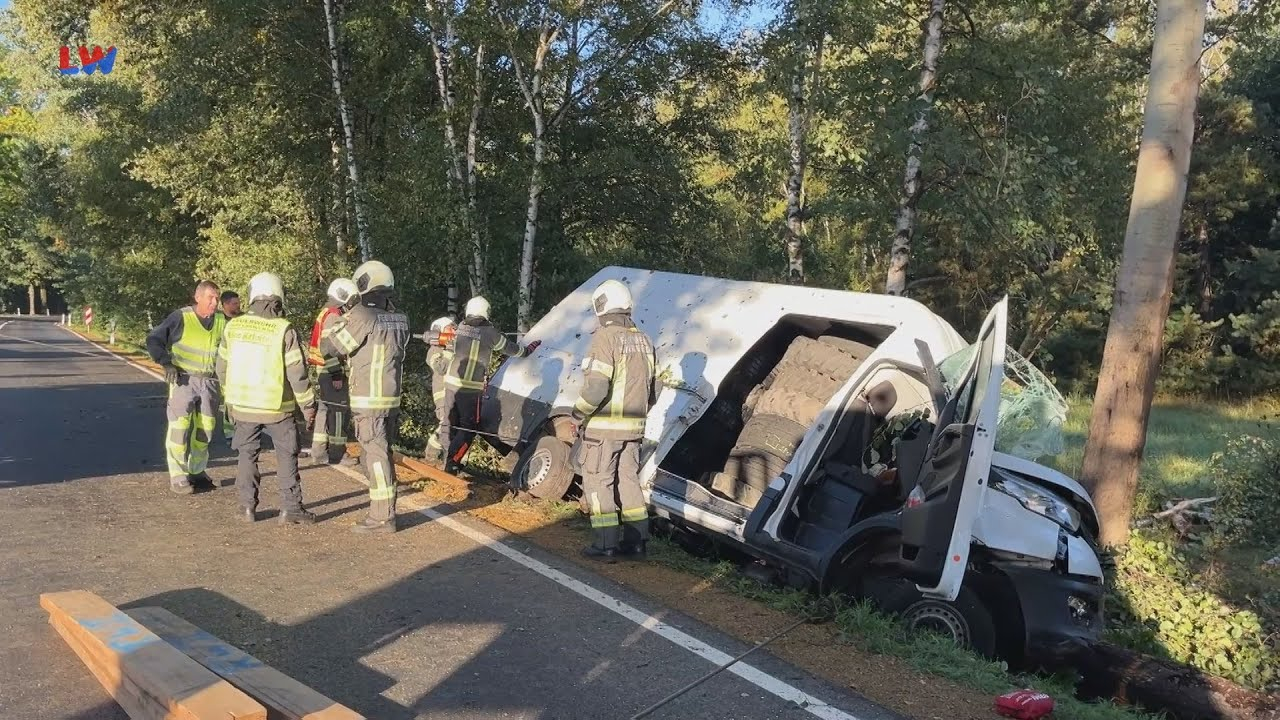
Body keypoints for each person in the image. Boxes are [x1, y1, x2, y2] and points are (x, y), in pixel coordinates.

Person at [217, 272, 317, 525]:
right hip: (277, 408)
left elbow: (221, 368)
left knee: (246, 455)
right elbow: (297, 373)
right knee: (286, 455)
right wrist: (308, 406)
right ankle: (291, 508)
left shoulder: (233, 326)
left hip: (243, 407)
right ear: (279, 295)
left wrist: (229, 399)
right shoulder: (283, 328)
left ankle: (247, 507)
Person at [570, 279, 656, 562]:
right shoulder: (645, 340)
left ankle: (604, 545)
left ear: (601, 305)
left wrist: (578, 413)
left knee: (598, 483)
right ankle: (636, 544)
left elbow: (596, 388)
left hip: (603, 430)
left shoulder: (604, 338)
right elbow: (652, 391)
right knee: (628, 482)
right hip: (634, 430)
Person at [321, 260, 410, 533]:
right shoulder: (400, 318)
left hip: (368, 400)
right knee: (381, 453)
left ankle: (382, 517)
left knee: (374, 456)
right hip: (391, 399)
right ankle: (384, 512)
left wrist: (336, 321)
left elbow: (332, 348)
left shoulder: (361, 316)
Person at [146, 280, 227, 494]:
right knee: (179, 429)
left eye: (217, 298)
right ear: (197, 297)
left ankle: (197, 471)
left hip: (210, 382)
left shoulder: (221, 320)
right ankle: (178, 475)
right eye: (210, 297)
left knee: (205, 429)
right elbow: (154, 339)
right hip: (183, 381)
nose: (215, 302)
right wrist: (166, 362)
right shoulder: (181, 317)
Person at [442, 297, 539, 474]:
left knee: (450, 422)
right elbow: (511, 349)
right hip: (470, 389)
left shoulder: (461, 328)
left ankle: (444, 459)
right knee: (468, 427)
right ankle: (452, 463)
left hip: (450, 384)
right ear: (486, 312)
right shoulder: (491, 333)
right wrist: (529, 350)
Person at [308, 278, 360, 465]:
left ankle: (319, 451)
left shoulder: (326, 312)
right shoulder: (334, 316)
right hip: (331, 371)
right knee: (338, 412)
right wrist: (337, 374)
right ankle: (338, 453)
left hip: (324, 371)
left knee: (324, 409)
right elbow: (328, 348)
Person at [424, 316, 456, 462]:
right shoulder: (434, 350)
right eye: (451, 328)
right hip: (442, 394)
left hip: (454, 394)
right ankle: (433, 455)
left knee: (451, 426)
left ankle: (440, 457)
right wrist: (449, 350)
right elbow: (441, 367)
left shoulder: (454, 348)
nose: (454, 331)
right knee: (446, 424)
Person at [217, 290, 242, 445]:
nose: (238, 306)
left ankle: (241, 431)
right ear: (225, 304)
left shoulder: (244, 319)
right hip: (223, 365)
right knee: (228, 400)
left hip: (240, 365)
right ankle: (230, 433)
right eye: (234, 303)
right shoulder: (217, 319)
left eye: (238, 303)